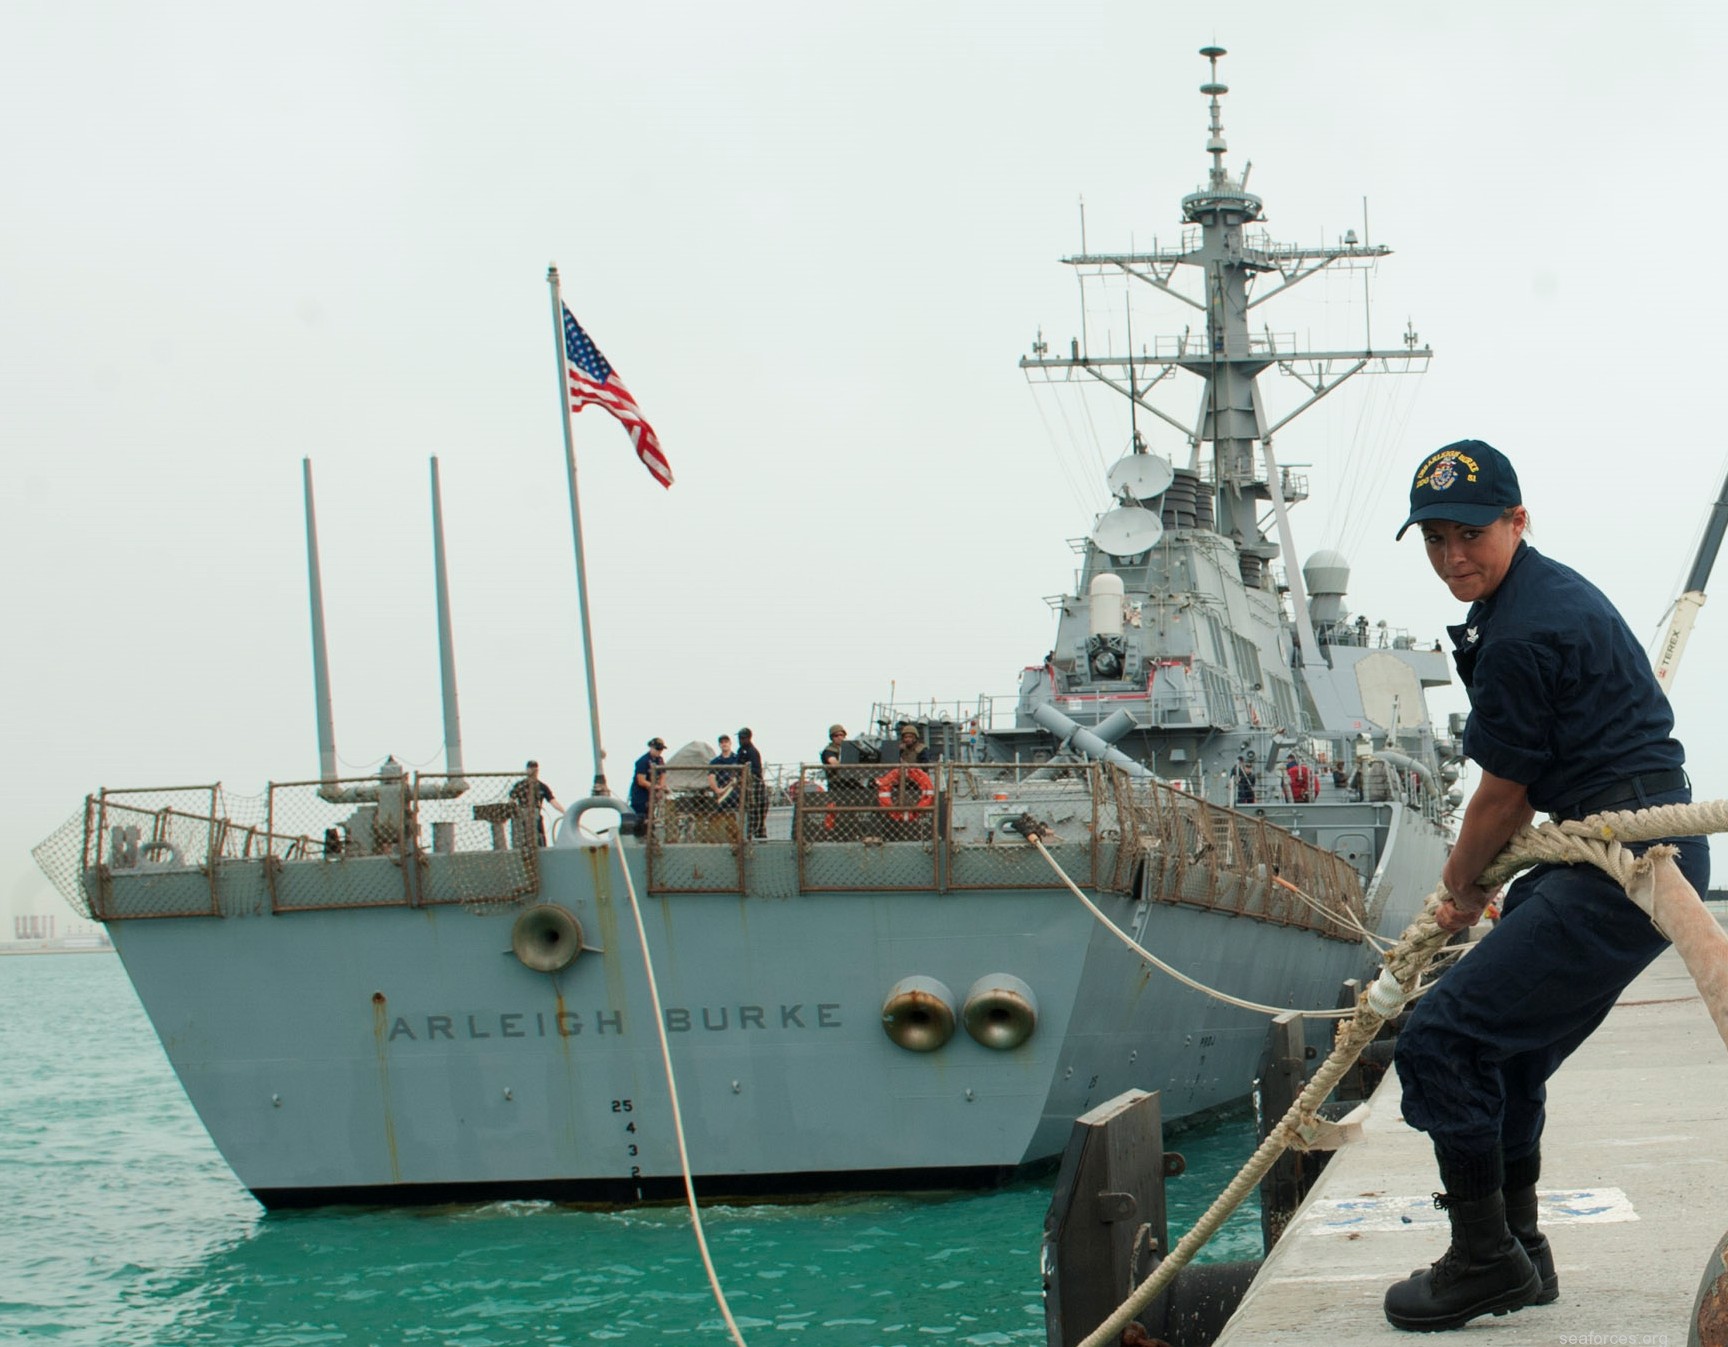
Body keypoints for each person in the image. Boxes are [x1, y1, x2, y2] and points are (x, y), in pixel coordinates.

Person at [1382, 439, 1708, 1332]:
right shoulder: (1527, 599)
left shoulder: (1523, 628)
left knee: (1439, 1040)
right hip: (1604, 856)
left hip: (1620, 865)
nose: (1454, 556)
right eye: (1437, 539)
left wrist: (1455, 891)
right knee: (1506, 1051)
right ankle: (1522, 1251)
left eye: (1472, 533)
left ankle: (1484, 1260)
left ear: (1518, 521)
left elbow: (1500, 796)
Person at [508, 760, 562, 847]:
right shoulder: (519, 785)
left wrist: (564, 812)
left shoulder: (542, 787)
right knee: (522, 840)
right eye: (531, 769)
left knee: (540, 839)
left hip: (536, 816)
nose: (533, 771)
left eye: (535, 769)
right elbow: (511, 801)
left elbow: (553, 801)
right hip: (522, 818)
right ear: (527, 770)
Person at [735, 727, 767, 838]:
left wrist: (746, 773)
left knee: (758, 815)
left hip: (756, 789)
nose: (740, 740)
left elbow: (756, 770)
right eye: (739, 738)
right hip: (746, 789)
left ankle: (760, 837)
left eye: (742, 738)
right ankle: (748, 836)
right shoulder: (740, 751)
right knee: (749, 815)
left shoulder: (752, 752)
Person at [630, 738, 667, 820]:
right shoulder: (643, 761)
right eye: (658, 749)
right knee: (641, 817)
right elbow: (641, 781)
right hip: (641, 795)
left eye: (661, 749)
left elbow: (663, 774)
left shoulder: (660, 760)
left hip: (652, 793)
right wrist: (656, 787)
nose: (660, 751)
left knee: (652, 815)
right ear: (651, 747)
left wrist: (661, 787)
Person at [708, 734, 739, 809]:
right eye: (722, 742)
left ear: (730, 743)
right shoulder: (715, 762)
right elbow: (711, 777)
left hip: (736, 791)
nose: (724, 744)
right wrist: (717, 790)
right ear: (719, 745)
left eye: (726, 742)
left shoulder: (738, 758)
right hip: (721, 792)